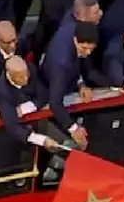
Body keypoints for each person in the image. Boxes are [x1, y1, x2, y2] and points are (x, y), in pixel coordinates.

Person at [42, 20, 108, 149]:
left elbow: (78, 61)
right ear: (75, 40)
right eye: (84, 48)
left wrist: (81, 84)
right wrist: (74, 129)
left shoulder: (75, 29)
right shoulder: (62, 64)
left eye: (91, 48)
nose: (88, 53)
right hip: (52, 81)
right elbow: (55, 103)